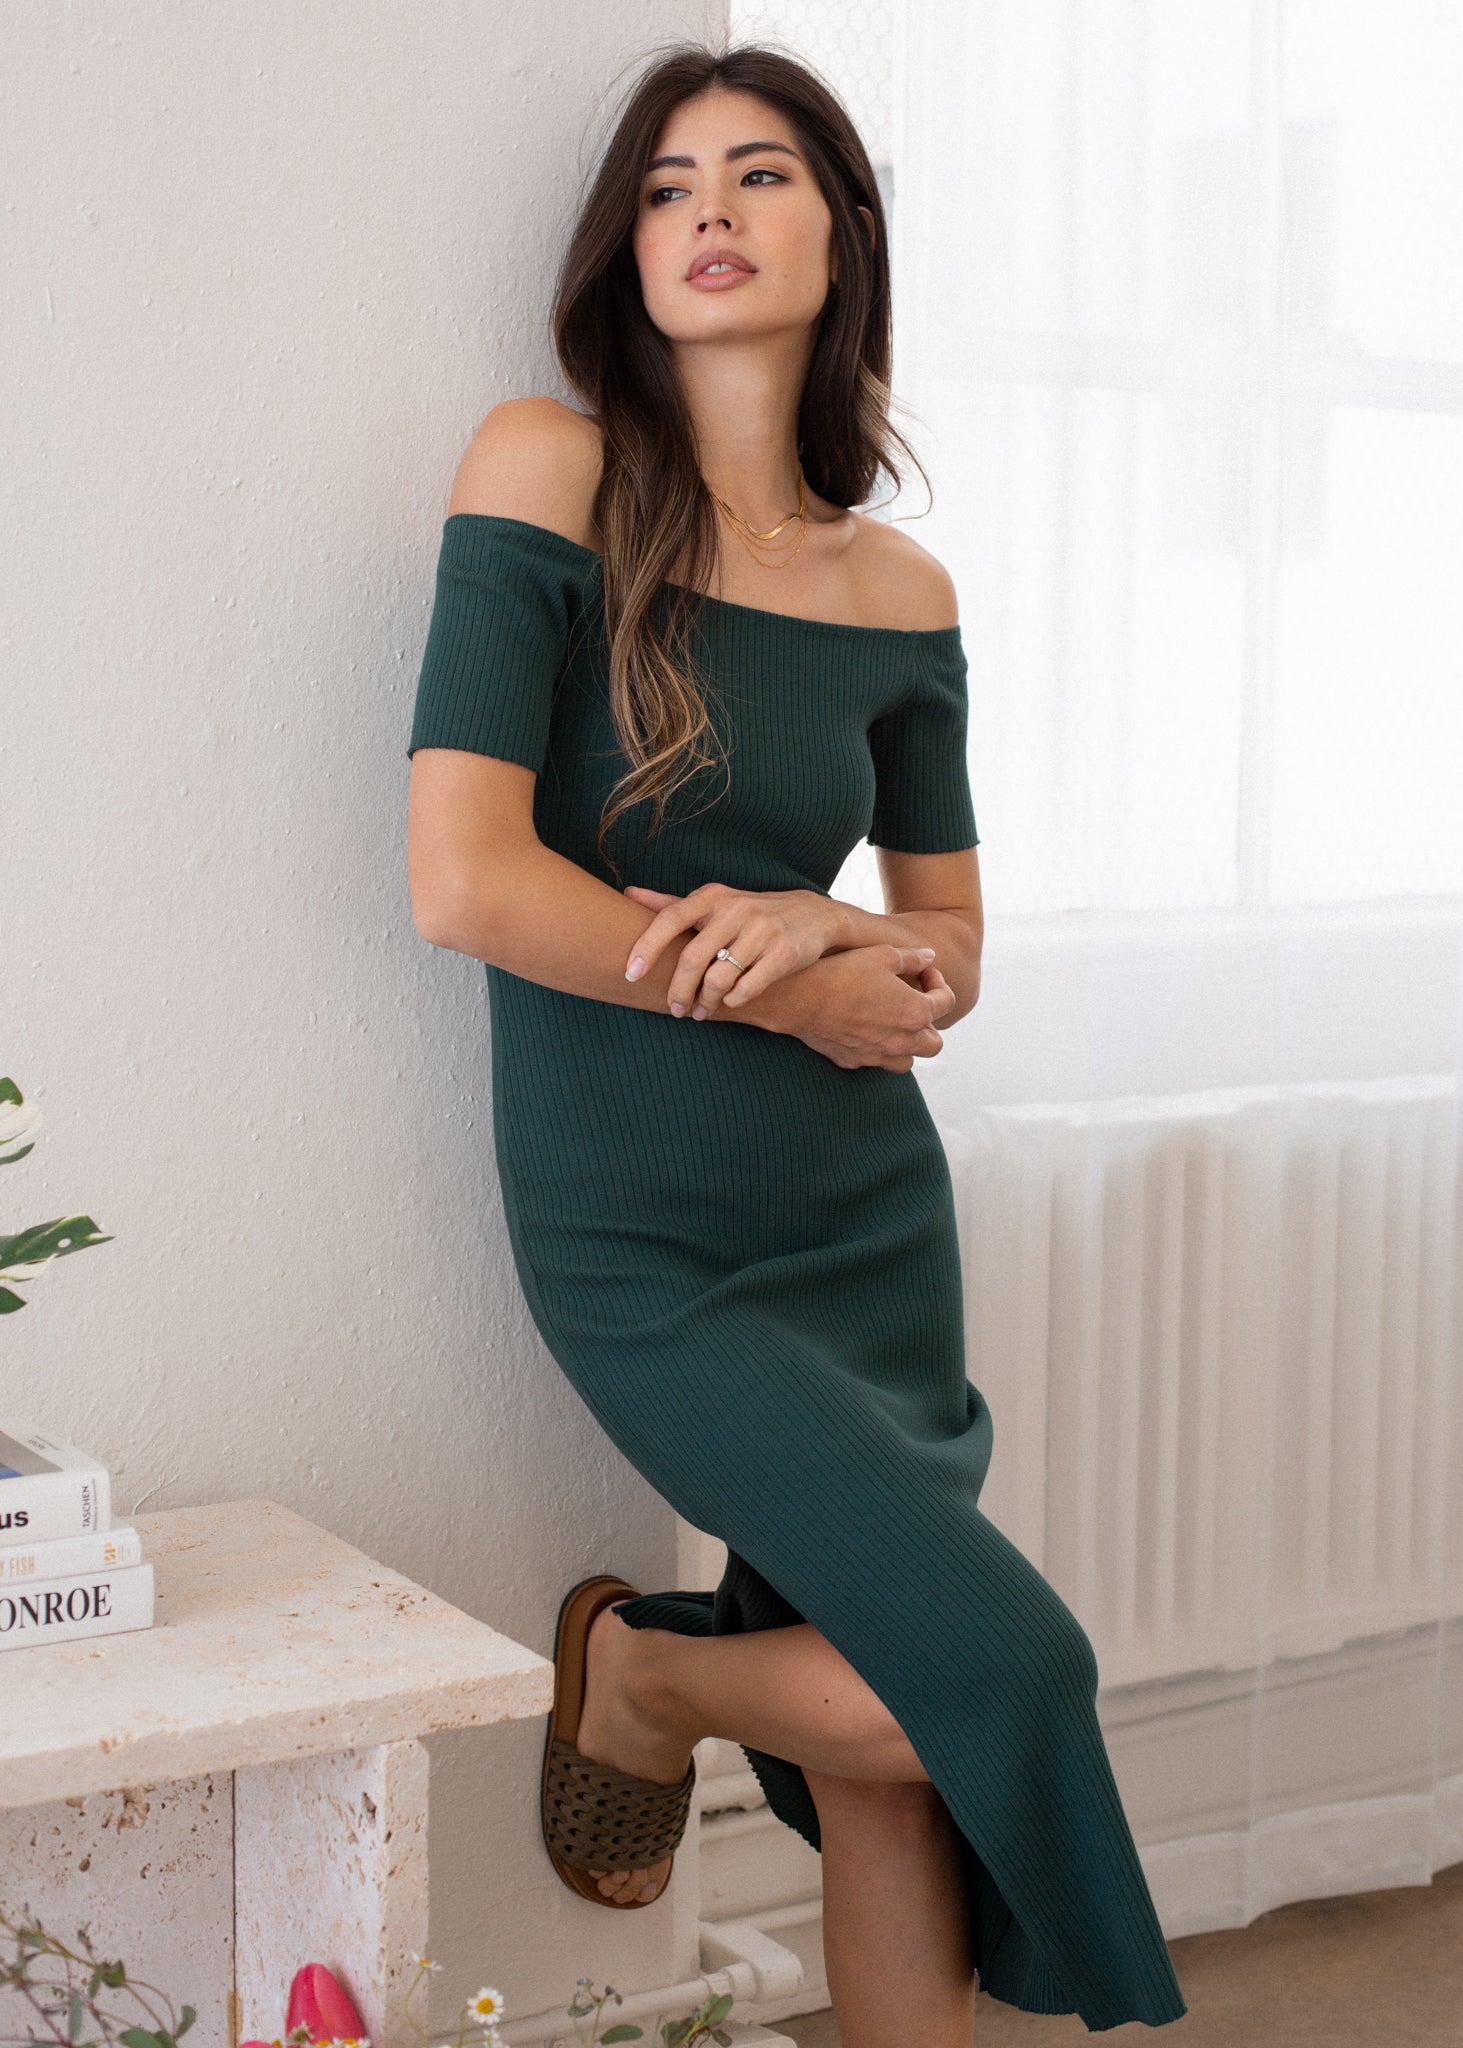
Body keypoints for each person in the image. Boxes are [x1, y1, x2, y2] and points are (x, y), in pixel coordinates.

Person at [405, 40, 1187, 2045]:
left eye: (759, 176)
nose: (711, 216)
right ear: (627, 246)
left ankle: (674, 1692)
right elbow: (469, 884)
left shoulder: (900, 585)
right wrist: (788, 971)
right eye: (667, 188)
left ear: (842, 233)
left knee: (880, 1770)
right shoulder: (543, 468)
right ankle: (648, 1677)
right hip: (644, 1226)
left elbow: (950, 957)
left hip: (862, 1229)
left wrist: (841, 933)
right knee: (983, 1677)